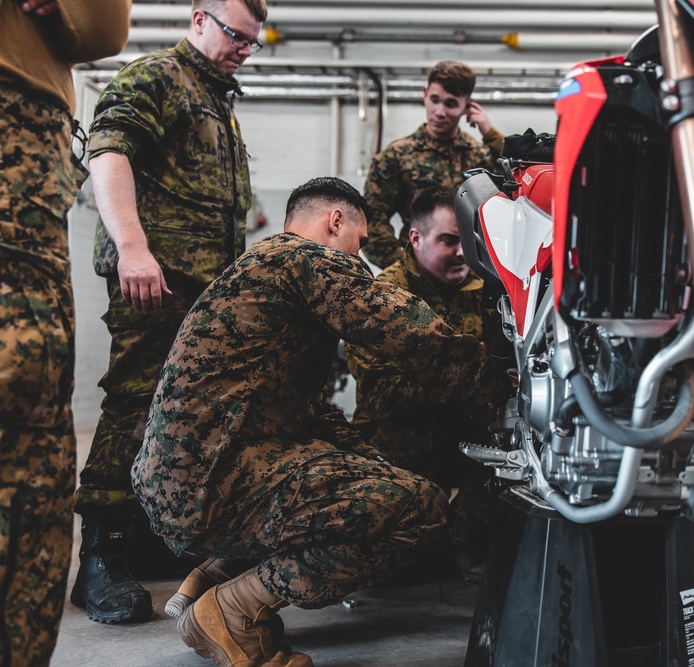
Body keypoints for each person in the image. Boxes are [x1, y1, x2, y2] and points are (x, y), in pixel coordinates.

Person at [131, 177, 511, 667]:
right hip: (209, 485)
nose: (361, 258)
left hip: (187, 480)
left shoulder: (257, 268)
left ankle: (217, 578)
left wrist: (368, 460)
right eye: (360, 242)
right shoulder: (304, 258)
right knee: (418, 508)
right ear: (336, 222)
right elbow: (400, 326)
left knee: (375, 478)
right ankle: (235, 612)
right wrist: (498, 387)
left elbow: (305, 408)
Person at [71, 0, 268, 625]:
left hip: (200, 288)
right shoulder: (157, 76)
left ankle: (143, 536)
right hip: (154, 280)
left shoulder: (216, 98)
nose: (243, 48)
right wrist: (133, 248)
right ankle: (99, 557)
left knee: (177, 413)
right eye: (236, 35)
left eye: (252, 41)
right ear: (199, 18)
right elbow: (106, 153)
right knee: (132, 404)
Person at [0, 0, 129, 662]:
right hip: (14, 143)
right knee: (24, 458)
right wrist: (132, 247)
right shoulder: (158, 85)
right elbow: (102, 25)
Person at [346, 187, 513, 576]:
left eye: (470, 242)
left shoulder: (486, 290)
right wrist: (470, 377)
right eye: (449, 241)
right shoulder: (380, 297)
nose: (462, 253)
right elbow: (381, 391)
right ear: (415, 238)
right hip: (399, 442)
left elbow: (506, 366)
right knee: (395, 569)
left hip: (461, 434)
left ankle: (461, 548)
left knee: (513, 457)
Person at [362, 60, 505, 268]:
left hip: (472, 276)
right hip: (419, 276)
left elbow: (518, 190)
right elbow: (371, 220)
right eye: (435, 100)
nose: (439, 112)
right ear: (425, 94)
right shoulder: (397, 156)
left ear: (467, 105)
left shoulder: (480, 156)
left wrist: (491, 135)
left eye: (451, 104)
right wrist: (406, 267)